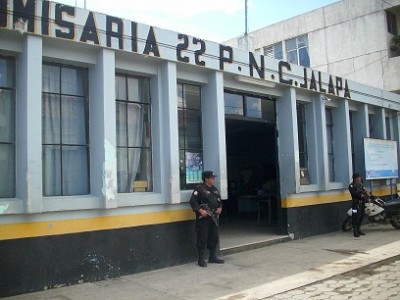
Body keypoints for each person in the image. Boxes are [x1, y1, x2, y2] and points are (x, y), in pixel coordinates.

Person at [189, 171, 224, 267]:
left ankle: (212, 257)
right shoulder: (199, 189)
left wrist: (220, 208)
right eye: (212, 178)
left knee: (214, 237)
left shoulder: (215, 189)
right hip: (204, 219)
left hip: (214, 218)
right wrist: (200, 211)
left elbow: (219, 201)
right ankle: (201, 259)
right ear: (206, 179)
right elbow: (193, 201)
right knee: (202, 238)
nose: (214, 179)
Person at [348, 173, 370, 237]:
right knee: (355, 217)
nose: (359, 179)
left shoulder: (361, 185)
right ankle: (355, 231)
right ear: (355, 178)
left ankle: (358, 229)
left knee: (361, 217)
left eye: (360, 178)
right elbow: (353, 193)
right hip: (356, 204)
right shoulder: (351, 186)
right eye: (358, 178)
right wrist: (360, 195)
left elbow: (365, 192)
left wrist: (368, 198)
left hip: (362, 203)